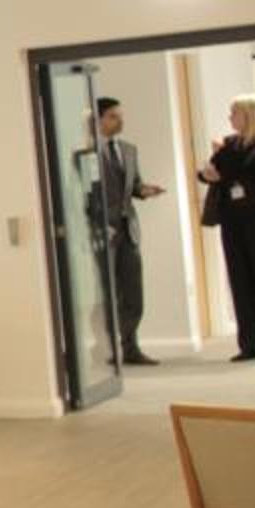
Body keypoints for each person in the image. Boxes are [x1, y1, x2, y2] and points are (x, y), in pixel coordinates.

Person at [197, 93, 255, 361]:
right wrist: (213, 170)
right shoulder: (231, 143)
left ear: (249, 115)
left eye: (234, 113)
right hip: (233, 219)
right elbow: (207, 172)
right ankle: (249, 345)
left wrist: (221, 167)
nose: (230, 118)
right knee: (240, 280)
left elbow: (249, 169)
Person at [80, 97, 164, 364]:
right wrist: (98, 224)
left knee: (133, 292)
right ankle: (111, 349)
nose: (120, 121)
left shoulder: (129, 150)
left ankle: (130, 347)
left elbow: (134, 185)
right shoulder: (87, 154)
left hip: (129, 230)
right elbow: (85, 195)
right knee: (110, 293)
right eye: (114, 116)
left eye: (121, 116)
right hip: (105, 232)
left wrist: (145, 191)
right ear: (99, 120)